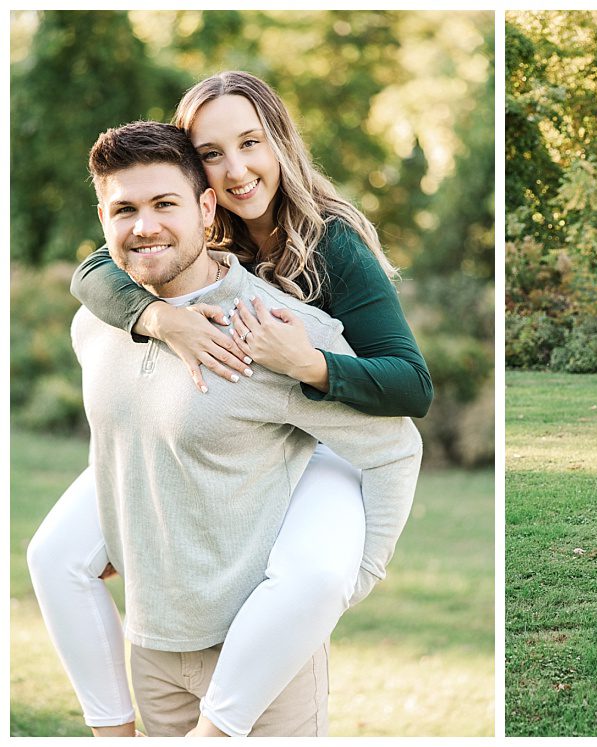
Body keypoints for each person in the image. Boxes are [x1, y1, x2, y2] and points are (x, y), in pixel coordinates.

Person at [27, 71, 430, 737]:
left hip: (320, 426)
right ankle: (112, 727)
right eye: (212, 153)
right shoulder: (178, 224)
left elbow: (411, 386)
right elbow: (91, 272)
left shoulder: (330, 241)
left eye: (251, 143)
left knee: (316, 572)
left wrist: (308, 363)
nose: (238, 169)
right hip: (210, 422)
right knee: (55, 554)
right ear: (199, 180)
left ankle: (219, 725)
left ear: (280, 143)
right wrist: (161, 320)